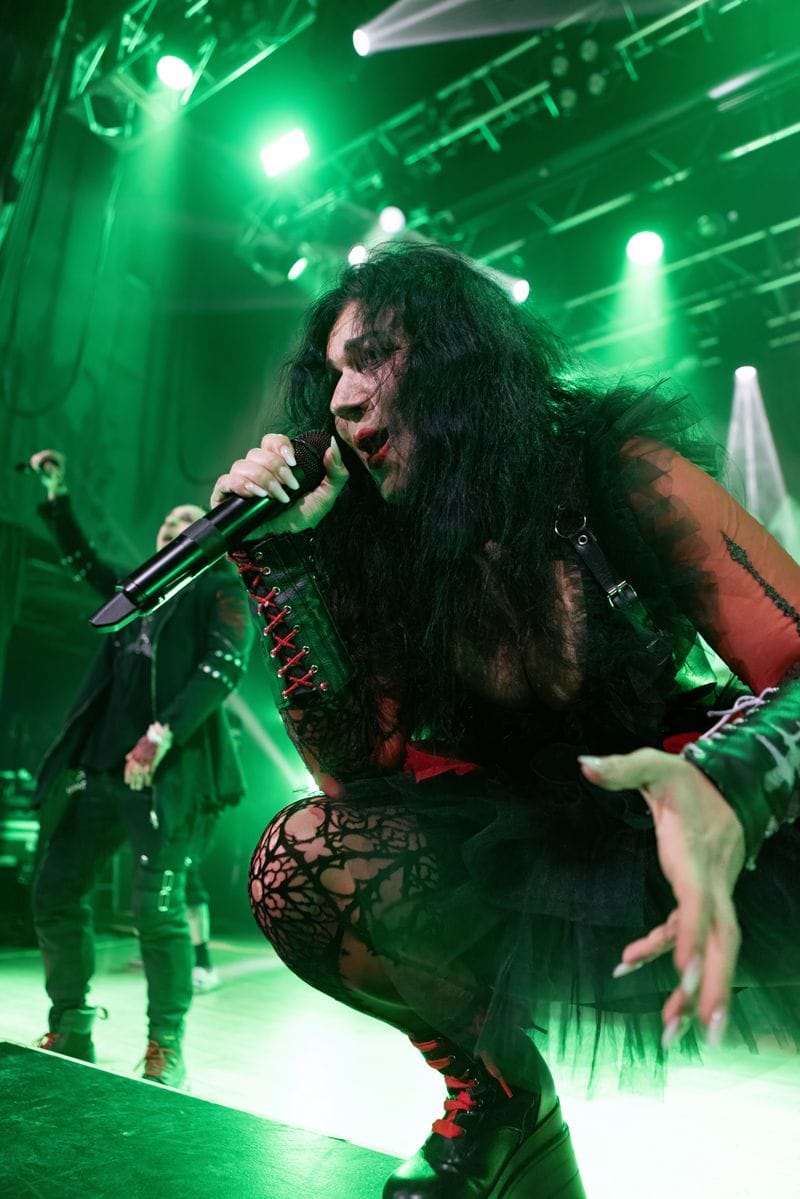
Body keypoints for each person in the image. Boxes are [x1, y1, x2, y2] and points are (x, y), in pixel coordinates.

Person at [211, 243, 800, 1198]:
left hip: (681, 805)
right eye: (331, 375)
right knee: (301, 863)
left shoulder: (615, 466)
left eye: (373, 357)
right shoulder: (378, 546)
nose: (343, 400)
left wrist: (731, 784)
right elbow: (356, 783)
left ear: (458, 358)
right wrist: (282, 566)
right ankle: (497, 1098)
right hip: (514, 839)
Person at [30, 450, 253, 1086]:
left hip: (166, 778)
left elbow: (223, 667)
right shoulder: (132, 592)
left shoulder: (218, 587)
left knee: (157, 912)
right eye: (166, 525)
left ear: (202, 537)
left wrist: (161, 735)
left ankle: (165, 1044)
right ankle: (71, 1022)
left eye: (187, 522)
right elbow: (82, 560)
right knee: (55, 892)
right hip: (101, 772)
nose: (173, 529)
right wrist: (56, 495)